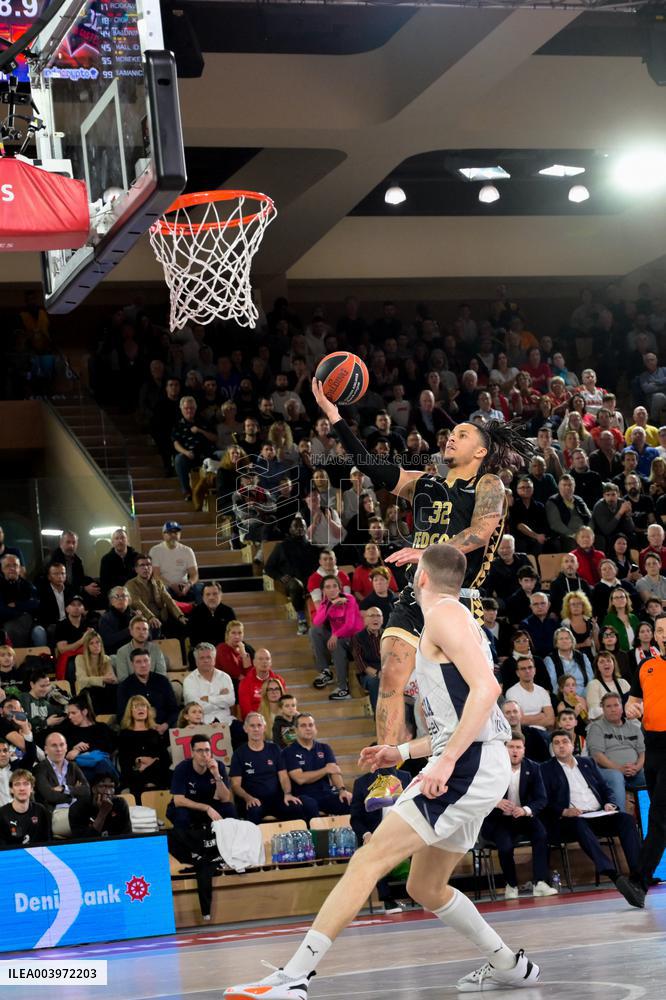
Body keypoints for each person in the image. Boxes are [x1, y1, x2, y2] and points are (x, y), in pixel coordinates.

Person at [226, 543, 540, 999]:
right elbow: (461, 717)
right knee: (425, 885)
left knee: (367, 860)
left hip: (467, 762)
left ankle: (295, 977)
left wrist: (446, 762)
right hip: (473, 758)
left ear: (423, 578)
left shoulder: (443, 616)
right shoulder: (452, 620)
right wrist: (403, 751)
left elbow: (489, 690)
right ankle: (508, 964)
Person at [311, 379, 532, 803]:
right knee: (391, 671)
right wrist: (335, 416)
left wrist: (429, 548)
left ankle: (467, 766)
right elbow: (370, 465)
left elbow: (482, 532)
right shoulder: (425, 483)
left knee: (463, 699)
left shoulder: (487, 486)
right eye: (452, 432)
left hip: (456, 600)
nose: (453, 437)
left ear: (481, 452)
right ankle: (388, 774)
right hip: (417, 595)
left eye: (463, 434)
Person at [540, 729, 643, 906]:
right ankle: (613, 874)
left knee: (626, 819)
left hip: (598, 814)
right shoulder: (545, 769)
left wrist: (610, 804)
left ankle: (638, 875)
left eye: (565, 742)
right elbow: (544, 801)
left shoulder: (587, 763)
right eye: (556, 743)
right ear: (552, 748)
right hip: (569, 820)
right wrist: (564, 811)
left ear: (573, 745)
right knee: (578, 824)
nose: (561, 746)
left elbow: (605, 789)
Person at [620, 612, 666, 905]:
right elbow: (633, 701)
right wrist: (631, 708)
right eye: (659, 629)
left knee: (659, 815)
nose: (663, 633)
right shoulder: (647, 666)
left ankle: (639, 881)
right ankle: (640, 880)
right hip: (654, 749)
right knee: (661, 817)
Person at [480, 734, 556, 898]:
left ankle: (540, 883)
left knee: (541, 834)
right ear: (504, 749)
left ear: (524, 750)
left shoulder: (533, 768)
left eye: (518, 747)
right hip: (499, 819)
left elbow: (541, 798)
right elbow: (479, 794)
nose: (514, 751)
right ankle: (511, 884)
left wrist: (525, 810)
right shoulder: (492, 768)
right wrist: (496, 802)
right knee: (505, 846)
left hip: (524, 817)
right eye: (511, 747)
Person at [230, 712, 318, 824]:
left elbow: (283, 777)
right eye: (252, 726)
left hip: (276, 799)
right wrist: (248, 798)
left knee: (297, 807)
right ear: (245, 728)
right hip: (254, 800)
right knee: (253, 812)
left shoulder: (274, 749)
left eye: (259, 725)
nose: (256, 729)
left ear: (264, 728)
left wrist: (287, 794)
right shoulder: (239, 753)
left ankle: (300, 840)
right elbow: (235, 785)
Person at [350, 763, 414, 914]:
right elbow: (355, 818)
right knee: (375, 851)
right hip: (376, 834)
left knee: (422, 844)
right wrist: (366, 834)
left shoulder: (405, 777)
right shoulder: (362, 783)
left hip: (403, 831)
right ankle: (387, 900)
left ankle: (421, 894)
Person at [282, 714, 353, 817]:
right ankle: (315, 833)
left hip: (326, 794)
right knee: (310, 805)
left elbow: (334, 771)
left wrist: (342, 790)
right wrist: (325, 770)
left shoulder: (324, 748)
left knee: (351, 802)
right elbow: (300, 778)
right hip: (303, 796)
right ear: (296, 730)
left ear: (315, 728)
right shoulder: (289, 751)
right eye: (303, 725)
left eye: (311, 725)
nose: (308, 728)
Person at [586, 693, 645, 810]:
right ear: (602, 709)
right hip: (607, 771)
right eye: (608, 706)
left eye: (616, 705)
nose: (613, 709)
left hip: (635, 771)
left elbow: (643, 753)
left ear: (622, 707)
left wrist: (637, 768)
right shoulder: (596, 727)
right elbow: (597, 756)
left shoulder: (634, 727)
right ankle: (622, 820)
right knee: (616, 776)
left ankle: (653, 821)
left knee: (653, 775)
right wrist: (619, 768)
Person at [309, 576, 363, 700]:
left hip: (354, 638)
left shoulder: (349, 599)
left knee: (337, 643)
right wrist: (330, 606)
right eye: (328, 587)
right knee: (314, 631)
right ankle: (325, 671)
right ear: (323, 591)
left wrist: (335, 635)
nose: (332, 589)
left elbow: (350, 625)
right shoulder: (325, 603)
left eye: (335, 586)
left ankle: (343, 688)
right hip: (339, 637)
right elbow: (317, 621)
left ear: (339, 588)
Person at [183, 643, 244, 745]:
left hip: (226, 721)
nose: (206, 660)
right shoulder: (189, 681)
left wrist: (208, 699)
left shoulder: (225, 677)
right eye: (202, 658)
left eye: (209, 657)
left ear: (214, 659)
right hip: (201, 724)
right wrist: (220, 698)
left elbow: (231, 700)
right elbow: (195, 708)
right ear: (196, 661)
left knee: (243, 732)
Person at [265, 518, 318, 636]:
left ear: (306, 529)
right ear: (290, 529)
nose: (299, 529)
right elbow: (269, 567)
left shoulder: (313, 547)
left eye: (302, 526)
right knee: (295, 585)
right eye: (296, 526)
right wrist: (280, 576)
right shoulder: (281, 547)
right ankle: (302, 619)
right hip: (291, 584)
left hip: (311, 582)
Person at [34, 731, 90, 837]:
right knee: (88, 828)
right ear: (46, 749)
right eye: (54, 745)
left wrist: (65, 788)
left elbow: (87, 791)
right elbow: (49, 796)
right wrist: (74, 793)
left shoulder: (73, 766)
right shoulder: (40, 769)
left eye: (61, 745)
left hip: (76, 812)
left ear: (66, 747)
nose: (59, 749)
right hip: (54, 815)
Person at [118, 694, 171, 802]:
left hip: (156, 773)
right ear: (130, 712)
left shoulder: (155, 733)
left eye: (143, 706)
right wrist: (139, 761)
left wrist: (152, 761)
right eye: (136, 706)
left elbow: (165, 759)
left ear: (148, 710)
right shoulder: (124, 735)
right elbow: (124, 761)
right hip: (135, 774)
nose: (141, 709)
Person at [116, 648, 179, 734]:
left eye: (146, 661)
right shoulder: (125, 686)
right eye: (138, 662)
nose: (143, 665)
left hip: (164, 729)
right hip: (138, 732)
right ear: (132, 664)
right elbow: (122, 716)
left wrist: (165, 725)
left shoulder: (163, 681)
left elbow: (174, 710)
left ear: (150, 662)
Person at [125, 554, 188, 636]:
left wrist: (180, 616)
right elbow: (137, 603)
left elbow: (168, 600)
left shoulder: (158, 582)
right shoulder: (131, 584)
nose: (146, 568)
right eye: (142, 565)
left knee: (183, 625)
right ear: (136, 569)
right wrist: (151, 617)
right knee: (155, 627)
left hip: (163, 617)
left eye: (148, 565)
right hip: (145, 619)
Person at [69, 773, 132, 839]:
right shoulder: (78, 808)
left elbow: (127, 836)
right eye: (102, 786)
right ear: (93, 789)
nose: (108, 792)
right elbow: (83, 842)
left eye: (111, 787)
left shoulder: (120, 804)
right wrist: (102, 813)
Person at [149, 522, 201, 602]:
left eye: (176, 533)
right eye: (170, 533)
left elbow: (194, 574)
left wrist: (188, 585)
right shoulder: (155, 551)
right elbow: (156, 575)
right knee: (160, 590)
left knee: (200, 588)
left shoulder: (187, 551)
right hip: (165, 585)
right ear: (163, 534)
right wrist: (172, 585)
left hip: (184, 585)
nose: (173, 535)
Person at [0, 769, 51, 847]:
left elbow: (47, 841)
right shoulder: (2, 814)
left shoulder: (41, 811)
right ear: (11, 790)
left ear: (32, 788)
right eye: (17, 784)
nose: (22, 788)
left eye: (26, 784)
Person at [504, 657, 554, 731]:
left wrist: (527, 719)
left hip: (542, 733)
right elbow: (519, 720)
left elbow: (551, 721)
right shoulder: (511, 692)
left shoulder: (542, 691)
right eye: (523, 669)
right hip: (523, 731)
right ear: (517, 673)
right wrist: (541, 716)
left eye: (530, 667)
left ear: (535, 670)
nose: (527, 671)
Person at [74, 630, 118, 714]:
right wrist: (102, 679)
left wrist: (111, 679)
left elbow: (113, 679)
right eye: (91, 643)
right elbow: (82, 681)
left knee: (115, 689)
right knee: (93, 692)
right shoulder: (80, 659)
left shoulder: (106, 659)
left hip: (103, 691)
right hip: (87, 692)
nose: (96, 645)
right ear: (87, 646)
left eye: (98, 642)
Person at [113, 615, 168, 682]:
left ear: (148, 633)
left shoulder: (155, 649)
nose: (141, 632)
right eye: (138, 629)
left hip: (154, 687)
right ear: (131, 631)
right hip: (132, 689)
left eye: (144, 629)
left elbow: (161, 674)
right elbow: (123, 679)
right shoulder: (122, 652)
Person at [238, 648, 286, 719]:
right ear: (254, 662)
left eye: (267, 659)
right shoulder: (245, 683)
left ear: (271, 662)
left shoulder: (279, 680)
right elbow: (246, 710)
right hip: (256, 721)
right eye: (260, 659)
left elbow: (284, 703)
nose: (264, 662)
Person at [187, 581, 237, 649]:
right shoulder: (195, 612)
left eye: (215, 594)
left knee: (248, 649)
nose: (211, 597)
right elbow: (194, 640)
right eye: (208, 594)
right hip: (203, 650)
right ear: (202, 597)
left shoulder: (228, 611)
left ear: (221, 595)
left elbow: (234, 633)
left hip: (225, 648)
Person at [98, 529, 139, 597]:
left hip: (134, 593)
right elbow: (104, 583)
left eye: (122, 538)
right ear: (112, 542)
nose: (120, 541)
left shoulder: (136, 557)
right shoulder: (106, 559)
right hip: (115, 595)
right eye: (117, 538)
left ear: (127, 540)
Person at [98, 586, 136, 655]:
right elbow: (107, 641)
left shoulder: (135, 616)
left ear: (129, 600)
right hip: (114, 653)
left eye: (124, 596)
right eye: (117, 596)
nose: (120, 599)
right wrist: (129, 630)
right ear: (111, 601)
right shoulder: (105, 618)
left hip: (135, 652)